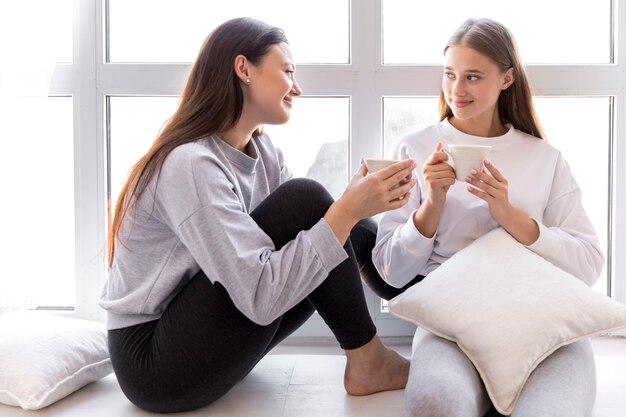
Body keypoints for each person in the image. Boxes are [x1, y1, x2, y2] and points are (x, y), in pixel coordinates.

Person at [99, 17, 415, 414]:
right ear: (244, 68)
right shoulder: (191, 163)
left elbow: (309, 248)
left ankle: (438, 314)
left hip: (210, 334)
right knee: (311, 201)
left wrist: (351, 212)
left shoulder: (265, 155)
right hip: (154, 363)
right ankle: (369, 361)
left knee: (332, 222)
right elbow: (260, 300)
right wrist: (343, 210)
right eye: (287, 71)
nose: (297, 88)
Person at [372, 18, 604, 417]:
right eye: (450, 75)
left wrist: (511, 217)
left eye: (473, 77)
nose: (457, 90)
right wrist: (431, 206)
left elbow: (588, 264)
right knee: (435, 405)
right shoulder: (414, 147)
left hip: (541, 313)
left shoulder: (544, 158)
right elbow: (391, 274)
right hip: (450, 319)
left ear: (506, 78)